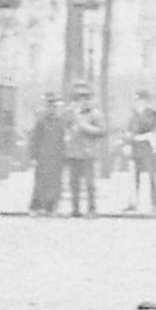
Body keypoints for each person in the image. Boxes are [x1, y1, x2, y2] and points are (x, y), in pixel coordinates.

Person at [64, 80, 106, 217]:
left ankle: (92, 209)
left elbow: (102, 131)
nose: (82, 100)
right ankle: (75, 209)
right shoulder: (70, 112)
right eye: (78, 97)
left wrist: (85, 126)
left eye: (85, 97)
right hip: (73, 152)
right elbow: (65, 127)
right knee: (73, 183)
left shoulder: (95, 114)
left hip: (88, 152)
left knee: (89, 183)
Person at [27, 92, 66, 215]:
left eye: (54, 105)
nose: (52, 108)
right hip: (42, 156)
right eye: (49, 105)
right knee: (40, 182)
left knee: (54, 183)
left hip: (56, 157)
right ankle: (36, 206)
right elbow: (34, 139)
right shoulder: (41, 121)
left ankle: (51, 206)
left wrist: (64, 156)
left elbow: (63, 139)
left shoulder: (61, 122)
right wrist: (33, 156)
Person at [124, 90, 156, 212]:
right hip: (135, 147)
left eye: (140, 100)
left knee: (151, 176)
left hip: (147, 147)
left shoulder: (152, 114)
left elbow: (149, 127)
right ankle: (133, 202)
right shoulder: (133, 115)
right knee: (134, 176)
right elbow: (129, 129)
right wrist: (128, 139)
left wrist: (136, 134)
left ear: (145, 101)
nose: (138, 102)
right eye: (137, 100)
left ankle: (154, 203)